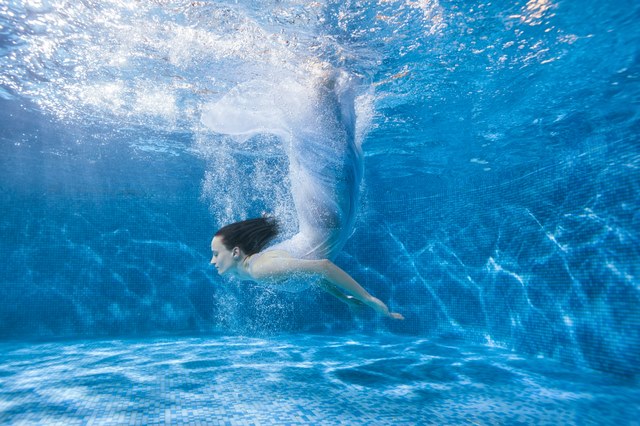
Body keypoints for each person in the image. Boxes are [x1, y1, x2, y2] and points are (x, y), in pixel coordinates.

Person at [211, 217, 404, 320]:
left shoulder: (261, 269)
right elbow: (309, 274)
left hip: (327, 228)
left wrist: (368, 299)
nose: (212, 261)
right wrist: (345, 299)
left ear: (236, 252)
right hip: (326, 228)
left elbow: (322, 267)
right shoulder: (244, 273)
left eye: (216, 254)